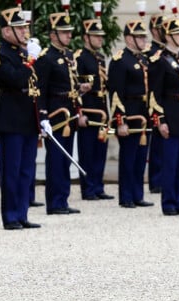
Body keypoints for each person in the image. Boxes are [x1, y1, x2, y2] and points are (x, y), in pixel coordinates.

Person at [0, 7, 42, 230]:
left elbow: (37, 85)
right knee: (11, 170)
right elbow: (13, 80)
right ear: (7, 31)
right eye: (20, 28)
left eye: (25, 28)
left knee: (27, 170)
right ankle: (10, 216)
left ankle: (22, 214)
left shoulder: (22, 52)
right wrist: (31, 60)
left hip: (29, 117)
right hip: (10, 118)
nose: (25, 32)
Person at [35, 11, 88, 215]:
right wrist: (43, 116)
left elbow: (72, 86)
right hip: (56, 115)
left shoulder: (67, 56)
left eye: (69, 32)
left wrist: (79, 98)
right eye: (63, 32)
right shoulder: (46, 58)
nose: (68, 36)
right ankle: (54, 202)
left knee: (66, 160)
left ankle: (63, 199)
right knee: (56, 160)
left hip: (70, 114)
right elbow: (40, 90)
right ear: (53, 35)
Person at [148, 16, 179, 216]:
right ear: (168, 36)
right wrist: (160, 120)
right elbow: (154, 95)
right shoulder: (159, 60)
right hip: (170, 113)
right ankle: (168, 202)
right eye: (177, 34)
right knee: (170, 162)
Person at [107, 19, 154, 209]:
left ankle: (137, 194)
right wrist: (120, 121)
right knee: (128, 158)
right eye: (139, 37)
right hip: (130, 114)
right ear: (128, 38)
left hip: (144, 114)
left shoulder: (142, 59)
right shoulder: (120, 60)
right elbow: (116, 93)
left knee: (141, 157)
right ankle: (126, 196)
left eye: (144, 36)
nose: (143, 40)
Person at [75, 19, 114, 201]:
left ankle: (98, 186)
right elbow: (76, 87)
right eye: (96, 36)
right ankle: (88, 188)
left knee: (101, 150)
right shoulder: (80, 57)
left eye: (101, 36)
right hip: (89, 110)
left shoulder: (99, 57)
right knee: (88, 152)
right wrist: (80, 112)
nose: (100, 40)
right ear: (86, 37)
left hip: (101, 109)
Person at [146, 13, 167, 194]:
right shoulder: (150, 52)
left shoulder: (166, 53)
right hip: (152, 103)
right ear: (154, 30)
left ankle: (162, 180)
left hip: (165, 103)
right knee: (157, 146)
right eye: (162, 29)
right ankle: (155, 180)